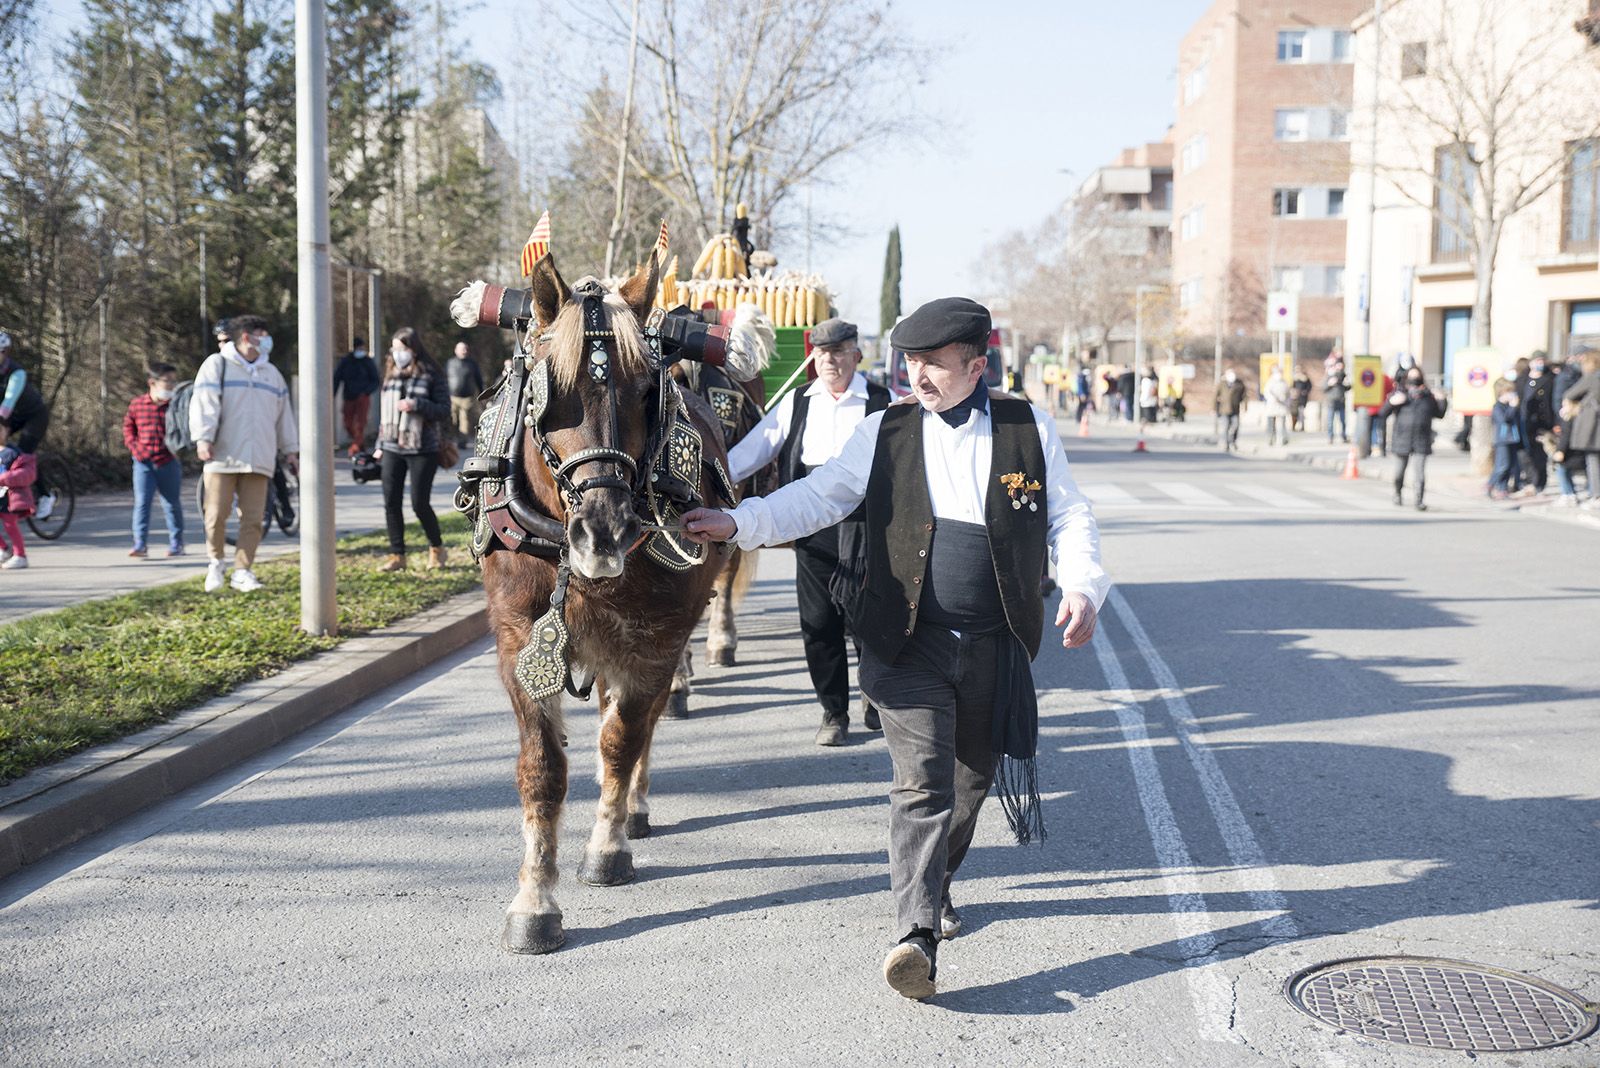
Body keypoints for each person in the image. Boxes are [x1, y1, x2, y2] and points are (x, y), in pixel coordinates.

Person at [681, 297, 1109, 1001]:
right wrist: (738, 521)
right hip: (905, 638)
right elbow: (818, 497)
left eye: (936, 363)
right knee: (922, 784)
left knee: (971, 782)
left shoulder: (1028, 426)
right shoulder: (885, 429)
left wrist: (1083, 586)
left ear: (978, 364)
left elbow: (1067, 512)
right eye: (910, 362)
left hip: (995, 642)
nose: (919, 376)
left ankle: (935, 883)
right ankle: (915, 935)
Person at [727, 317, 890, 745]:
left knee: (867, 621)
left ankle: (874, 693)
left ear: (856, 354)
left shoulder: (883, 401)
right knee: (818, 623)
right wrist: (711, 479)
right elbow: (751, 452)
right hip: (813, 525)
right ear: (812, 358)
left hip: (868, 527)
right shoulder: (797, 402)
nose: (830, 360)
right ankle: (833, 712)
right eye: (821, 353)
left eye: (838, 352)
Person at [189, 314, 300, 593]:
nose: (267, 341)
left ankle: (243, 570)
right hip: (223, 456)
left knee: (253, 518)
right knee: (215, 513)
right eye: (262, 334)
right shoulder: (217, 365)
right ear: (247, 337)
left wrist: (291, 451)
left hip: (259, 457)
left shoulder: (271, 374)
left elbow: (283, 416)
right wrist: (203, 438)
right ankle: (216, 563)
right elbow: (204, 404)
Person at [374, 327, 450, 571]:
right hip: (391, 444)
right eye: (394, 349)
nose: (398, 354)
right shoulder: (391, 374)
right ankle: (398, 555)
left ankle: (436, 548)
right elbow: (383, 413)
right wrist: (379, 445)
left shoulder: (432, 374)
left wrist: (416, 404)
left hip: (422, 447)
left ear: (414, 349)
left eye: (402, 349)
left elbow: (444, 410)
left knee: (419, 503)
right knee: (391, 502)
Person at [122, 362, 186, 557]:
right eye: (168, 381)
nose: (172, 386)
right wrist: (136, 448)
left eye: (174, 381)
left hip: (168, 462)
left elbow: (184, 430)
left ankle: (177, 543)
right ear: (152, 382)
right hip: (143, 463)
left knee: (171, 503)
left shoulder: (175, 406)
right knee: (142, 502)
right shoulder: (137, 404)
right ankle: (140, 543)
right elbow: (128, 429)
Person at [1379, 366, 1447, 510]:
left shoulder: (1428, 397)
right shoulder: (1400, 395)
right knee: (1399, 472)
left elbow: (1439, 414)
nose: (1415, 381)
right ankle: (1397, 493)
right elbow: (1383, 413)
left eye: (1417, 377)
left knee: (1419, 473)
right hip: (1402, 438)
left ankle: (1419, 500)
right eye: (1412, 377)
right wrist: (1392, 402)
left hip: (1421, 439)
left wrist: (1442, 400)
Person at [1558, 349, 1600, 508]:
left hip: (1593, 426)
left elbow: (1569, 393)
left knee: (1593, 461)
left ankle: (1596, 496)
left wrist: (1575, 406)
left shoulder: (1591, 378)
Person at [333, 336, 380, 457]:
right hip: (349, 397)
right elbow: (337, 378)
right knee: (347, 424)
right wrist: (332, 394)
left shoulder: (367, 362)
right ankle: (360, 443)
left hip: (362, 397)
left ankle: (354, 448)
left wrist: (366, 392)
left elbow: (375, 380)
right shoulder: (346, 361)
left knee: (360, 424)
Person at [1518, 353, 1557, 495]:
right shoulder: (1522, 379)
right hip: (1523, 422)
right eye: (1537, 360)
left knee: (1539, 455)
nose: (1540, 363)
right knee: (1524, 455)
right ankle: (1528, 481)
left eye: (1542, 360)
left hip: (1542, 423)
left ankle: (1538, 483)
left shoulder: (1550, 379)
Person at [0, 424, 34, 570]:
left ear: (6, 431)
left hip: (9, 496)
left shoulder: (13, 453)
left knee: (10, 525)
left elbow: (25, 472)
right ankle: (3, 549)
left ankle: (20, 555)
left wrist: (5, 478)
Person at [446, 340, 485, 448]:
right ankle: (451, 439)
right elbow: (444, 378)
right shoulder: (450, 363)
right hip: (452, 397)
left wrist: (482, 394)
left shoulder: (472, 364)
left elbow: (479, 380)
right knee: (452, 419)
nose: (464, 351)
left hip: (467, 398)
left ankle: (462, 442)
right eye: (461, 349)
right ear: (456, 350)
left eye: (465, 349)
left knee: (465, 420)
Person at [1488, 383, 1523, 500]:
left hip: (1513, 439)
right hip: (1502, 440)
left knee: (1510, 466)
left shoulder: (1509, 406)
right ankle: (1490, 484)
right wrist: (1513, 407)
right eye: (1509, 392)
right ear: (1503, 393)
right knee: (1502, 465)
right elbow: (1504, 420)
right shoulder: (1497, 407)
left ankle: (1503, 489)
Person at [1215, 368, 1246, 451]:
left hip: (1235, 409)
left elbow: (1244, 396)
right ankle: (1226, 443)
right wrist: (1214, 408)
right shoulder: (1221, 384)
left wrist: (1245, 407)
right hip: (1224, 409)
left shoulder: (1239, 384)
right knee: (1225, 427)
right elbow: (1215, 396)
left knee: (1235, 426)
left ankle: (1233, 441)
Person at [1322, 359, 1350, 443]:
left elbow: (1348, 388)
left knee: (1342, 421)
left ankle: (1344, 436)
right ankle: (1330, 437)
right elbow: (1324, 388)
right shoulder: (1330, 376)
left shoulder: (1344, 377)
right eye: (1338, 365)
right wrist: (1330, 384)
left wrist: (1347, 383)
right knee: (1330, 421)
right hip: (1332, 402)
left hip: (1341, 401)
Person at [1262, 366, 1290, 446]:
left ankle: (1284, 439)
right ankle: (1270, 439)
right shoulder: (1270, 382)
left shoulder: (1284, 382)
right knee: (1271, 424)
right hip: (1272, 405)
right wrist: (1273, 398)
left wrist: (1284, 398)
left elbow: (1287, 393)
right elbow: (1267, 393)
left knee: (1283, 424)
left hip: (1282, 405)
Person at [1290, 365, 1312, 432]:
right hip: (1295, 398)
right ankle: (1294, 426)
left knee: (1301, 412)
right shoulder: (1295, 378)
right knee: (1294, 413)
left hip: (1302, 397)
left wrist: (1305, 392)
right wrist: (1293, 392)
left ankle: (1302, 426)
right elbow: (1292, 387)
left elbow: (1309, 387)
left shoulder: (1305, 378)